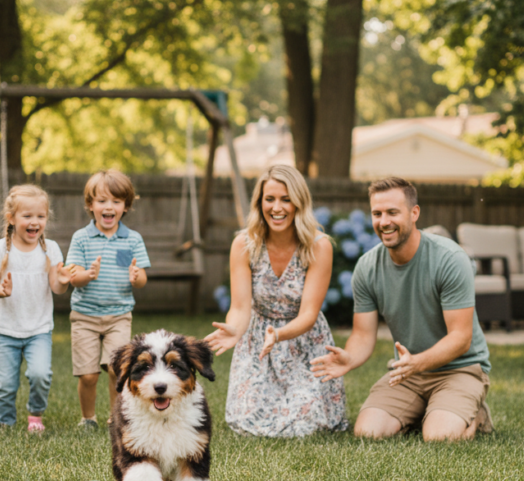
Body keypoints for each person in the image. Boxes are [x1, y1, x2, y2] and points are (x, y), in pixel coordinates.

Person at [311, 177, 493, 441]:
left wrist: (416, 363)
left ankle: (475, 415)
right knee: (367, 432)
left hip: (459, 369)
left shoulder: (450, 259)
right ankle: (432, 411)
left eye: (392, 212)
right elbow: (363, 334)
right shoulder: (367, 267)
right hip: (407, 372)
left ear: (414, 213)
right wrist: (350, 358)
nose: (384, 221)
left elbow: (461, 338)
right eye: (377, 214)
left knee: (439, 437)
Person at [204, 165, 348, 437]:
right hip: (258, 344)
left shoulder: (319, 246)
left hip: (304, 342)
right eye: (269, 199)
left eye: (286, 199)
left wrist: (279, 334)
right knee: (247, 423)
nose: (277, 207)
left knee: (306, 424)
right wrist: (234, 329)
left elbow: (309, 314)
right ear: (260, 202)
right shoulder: (244, 244)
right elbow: (240, 307)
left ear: (299, 203)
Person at [65, 170, 150, 431]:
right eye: (102, 201)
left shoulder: (131, 239)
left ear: (126, 206)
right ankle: (88, 418)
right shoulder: (82, 238)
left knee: (117, 370)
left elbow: (141, 278)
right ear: (91, 205)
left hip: (118, 316)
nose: (109, 207)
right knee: (88, 375)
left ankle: (116, 418)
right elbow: (73, 277)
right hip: (85, 317)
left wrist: (136, 277)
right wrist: (87, 275)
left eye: (116, 201)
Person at [0, 184, 69, 432]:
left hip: (38, 329)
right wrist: (2, 290)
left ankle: (35, 415)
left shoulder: (50, 249)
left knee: (41, 374)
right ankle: (6, 422)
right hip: (6, 330)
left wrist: (63, 281)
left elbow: (56, 287)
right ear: (11, 218)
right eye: (27, 216)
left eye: (41, 216)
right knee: (6, 384)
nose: (35, 222)